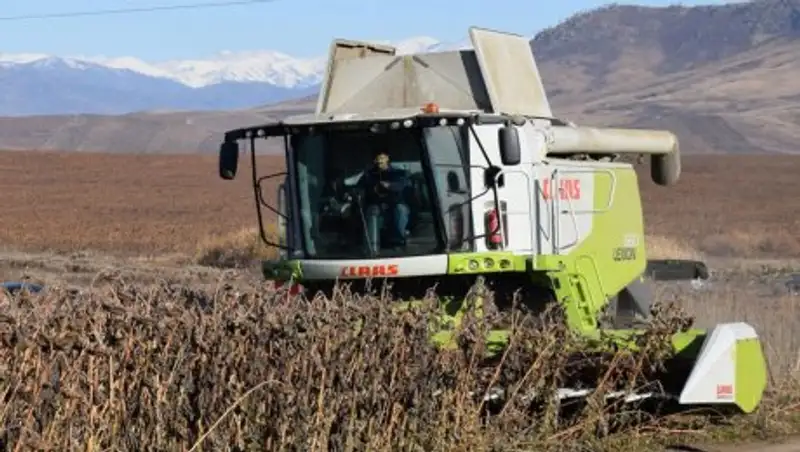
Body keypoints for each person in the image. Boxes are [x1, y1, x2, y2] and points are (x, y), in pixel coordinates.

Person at [357, 152, 411, 252]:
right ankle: (370, 245)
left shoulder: (397, 172)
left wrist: (389, 185)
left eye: (382, 158)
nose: (380, 161)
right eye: (377, 158)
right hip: (376, 204)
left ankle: (398, 241)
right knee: (372, 210)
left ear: (388, 159)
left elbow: (402, 185)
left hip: (395, 204)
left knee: (401, 210)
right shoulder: (369, 174)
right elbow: (359, 187)